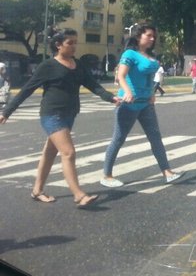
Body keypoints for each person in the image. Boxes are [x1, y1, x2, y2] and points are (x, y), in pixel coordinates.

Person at [0, 28, 119, 207]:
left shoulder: (78, 65)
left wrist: (111, 98)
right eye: (69, 43)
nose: (74, 47)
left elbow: (94, 86)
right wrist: (6, 112)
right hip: (51, 114)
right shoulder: (48, 66)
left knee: (49, 153)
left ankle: (37, 191)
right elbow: (26, 90)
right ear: (58, 45)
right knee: (68, 152)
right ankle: (78, 194)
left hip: (69, 114)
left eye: (75, 42)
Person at [101, 24, 184, 188]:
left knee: (155, 138)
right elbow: (121, 75)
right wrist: (126, 92)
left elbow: (149, 77)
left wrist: (152, 93)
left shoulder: (150, 56)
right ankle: (107, 175)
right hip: (129, 104)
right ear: (139, 36)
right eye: (149, 35)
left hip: (146, 103)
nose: (152, 39)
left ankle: (167, 172)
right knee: (118, 139)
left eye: (154, 36)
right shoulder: (129, 54)